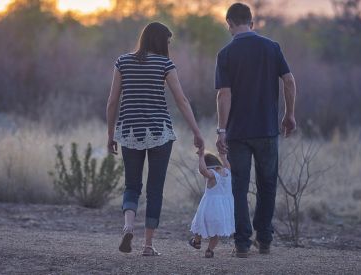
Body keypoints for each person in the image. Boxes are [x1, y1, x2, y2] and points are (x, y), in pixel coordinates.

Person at [106, 22, 204, 256]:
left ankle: (129, 226)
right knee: (155, 189)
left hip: (129, 131)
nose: (169, 46)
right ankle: (148, 245)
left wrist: (111, 135)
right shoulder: (165, 64)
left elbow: (112, 102)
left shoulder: (123, 62)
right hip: (160, 132)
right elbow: (181, 101)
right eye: (168, 42)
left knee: (132, 185)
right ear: (160, 41)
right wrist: (197, 132)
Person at [214, 3, 297, 258]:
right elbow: (289, 80)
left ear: (229, 23)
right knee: (267, 184)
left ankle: (241, 244)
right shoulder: (271, 48)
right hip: (267, 129)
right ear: (251, 22)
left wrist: (221, 130)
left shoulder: (226, 53)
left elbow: (223, 95)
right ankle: (264, 239)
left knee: (238, 186)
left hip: (238, 132)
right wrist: (289, 114)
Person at [188, 151, 235, 258]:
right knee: (216, 232)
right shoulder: (227, 171)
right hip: (223, 210)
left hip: (210, 207)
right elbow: (226, 162)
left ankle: (197, 241)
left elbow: (202, 170)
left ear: (209, 166)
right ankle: (209, 250)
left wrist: (200, 157)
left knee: (200, 223)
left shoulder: (212, 175)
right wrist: (222, 155)